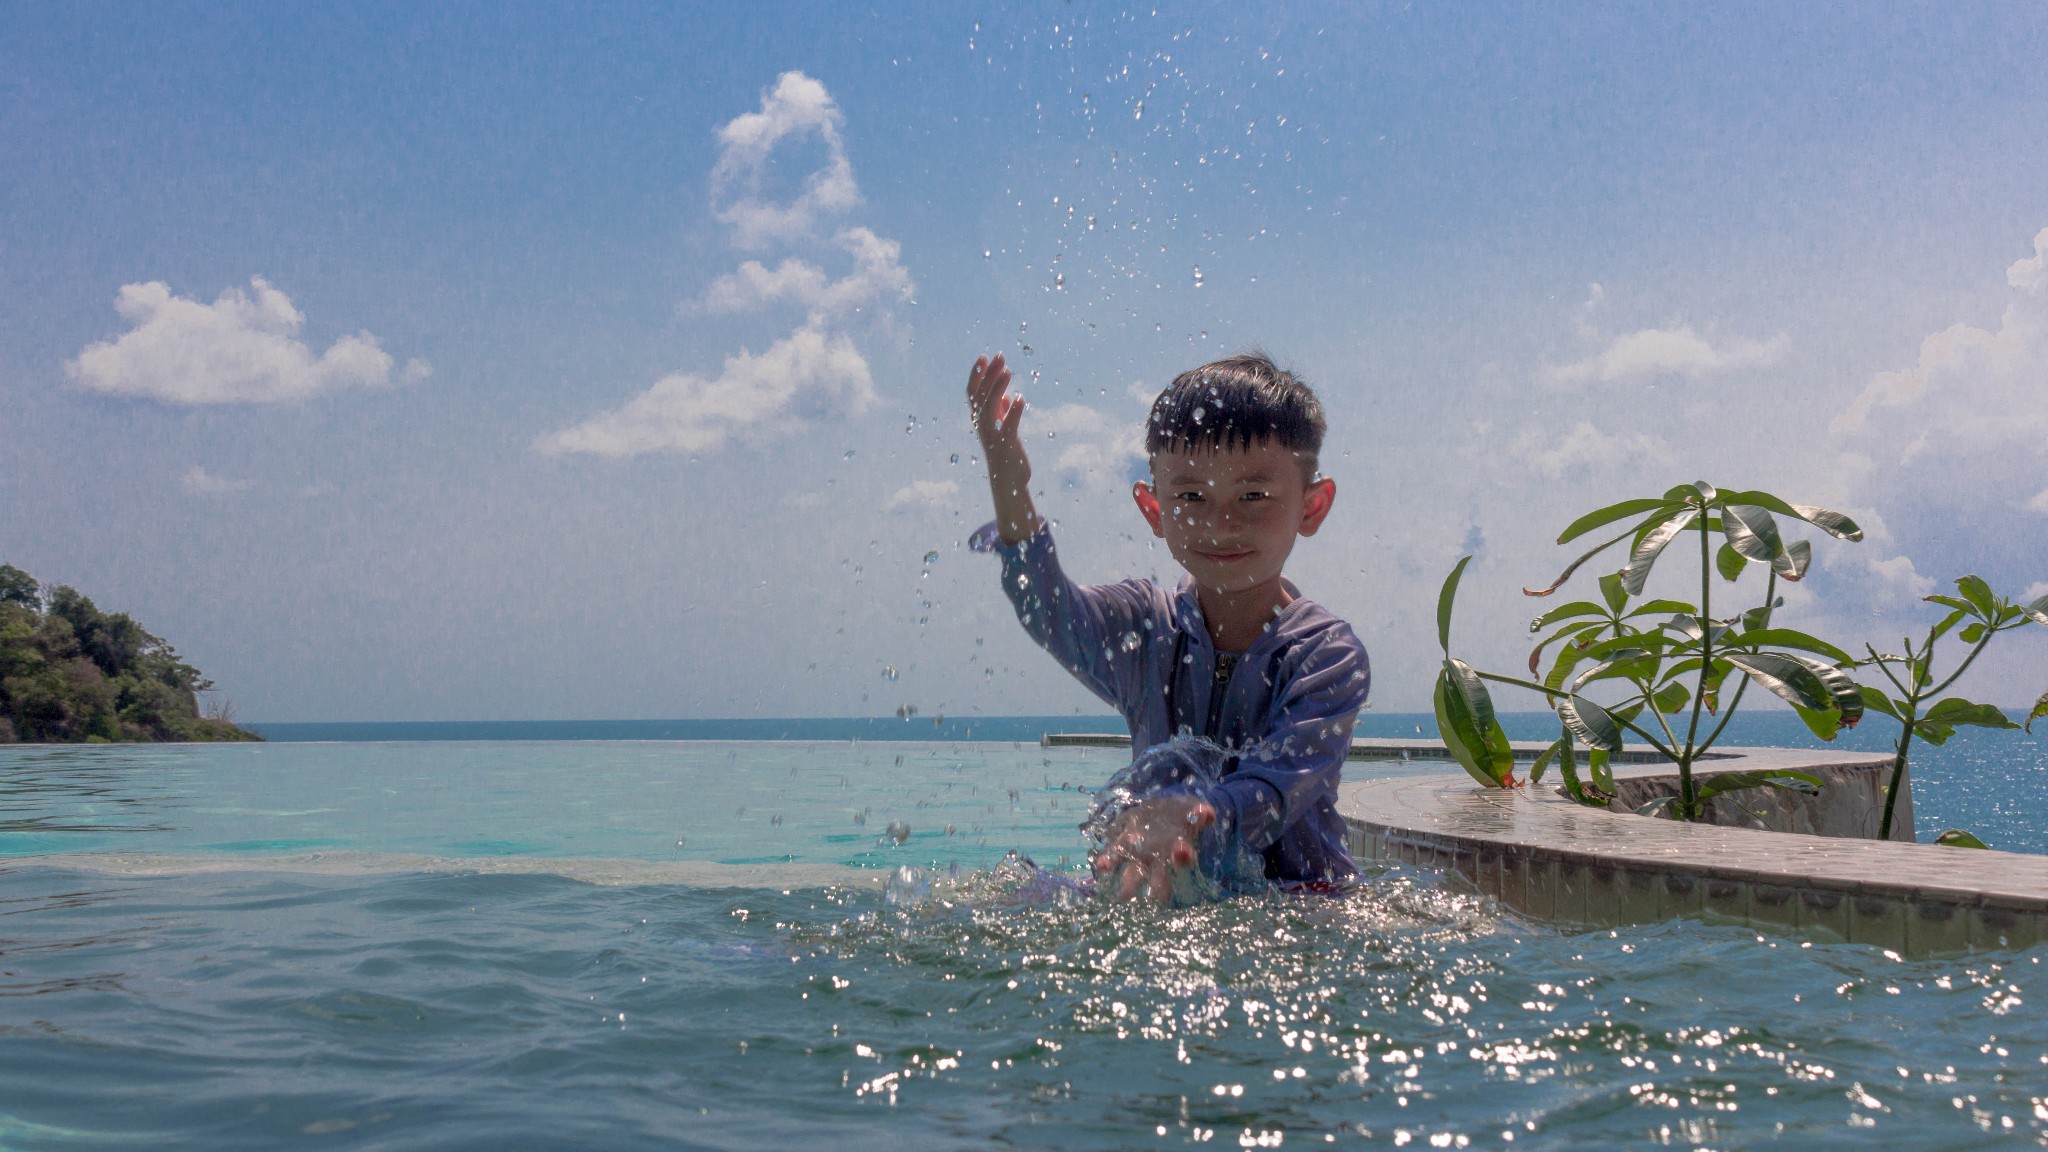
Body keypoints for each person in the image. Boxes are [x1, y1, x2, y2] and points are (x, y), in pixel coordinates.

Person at [965, 350, 1370, 903]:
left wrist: (1195, 815)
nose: (1220, 524)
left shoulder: (1325, 656)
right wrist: (1009, 483)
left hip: (1300, 901)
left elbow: (1281, 785)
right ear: (1154, 508)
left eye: (1253, 495)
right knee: (1001, 900)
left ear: (1311, 506)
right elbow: (1049, 609)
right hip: (1166, 891)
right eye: (1191, 496)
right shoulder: (1143, 630)